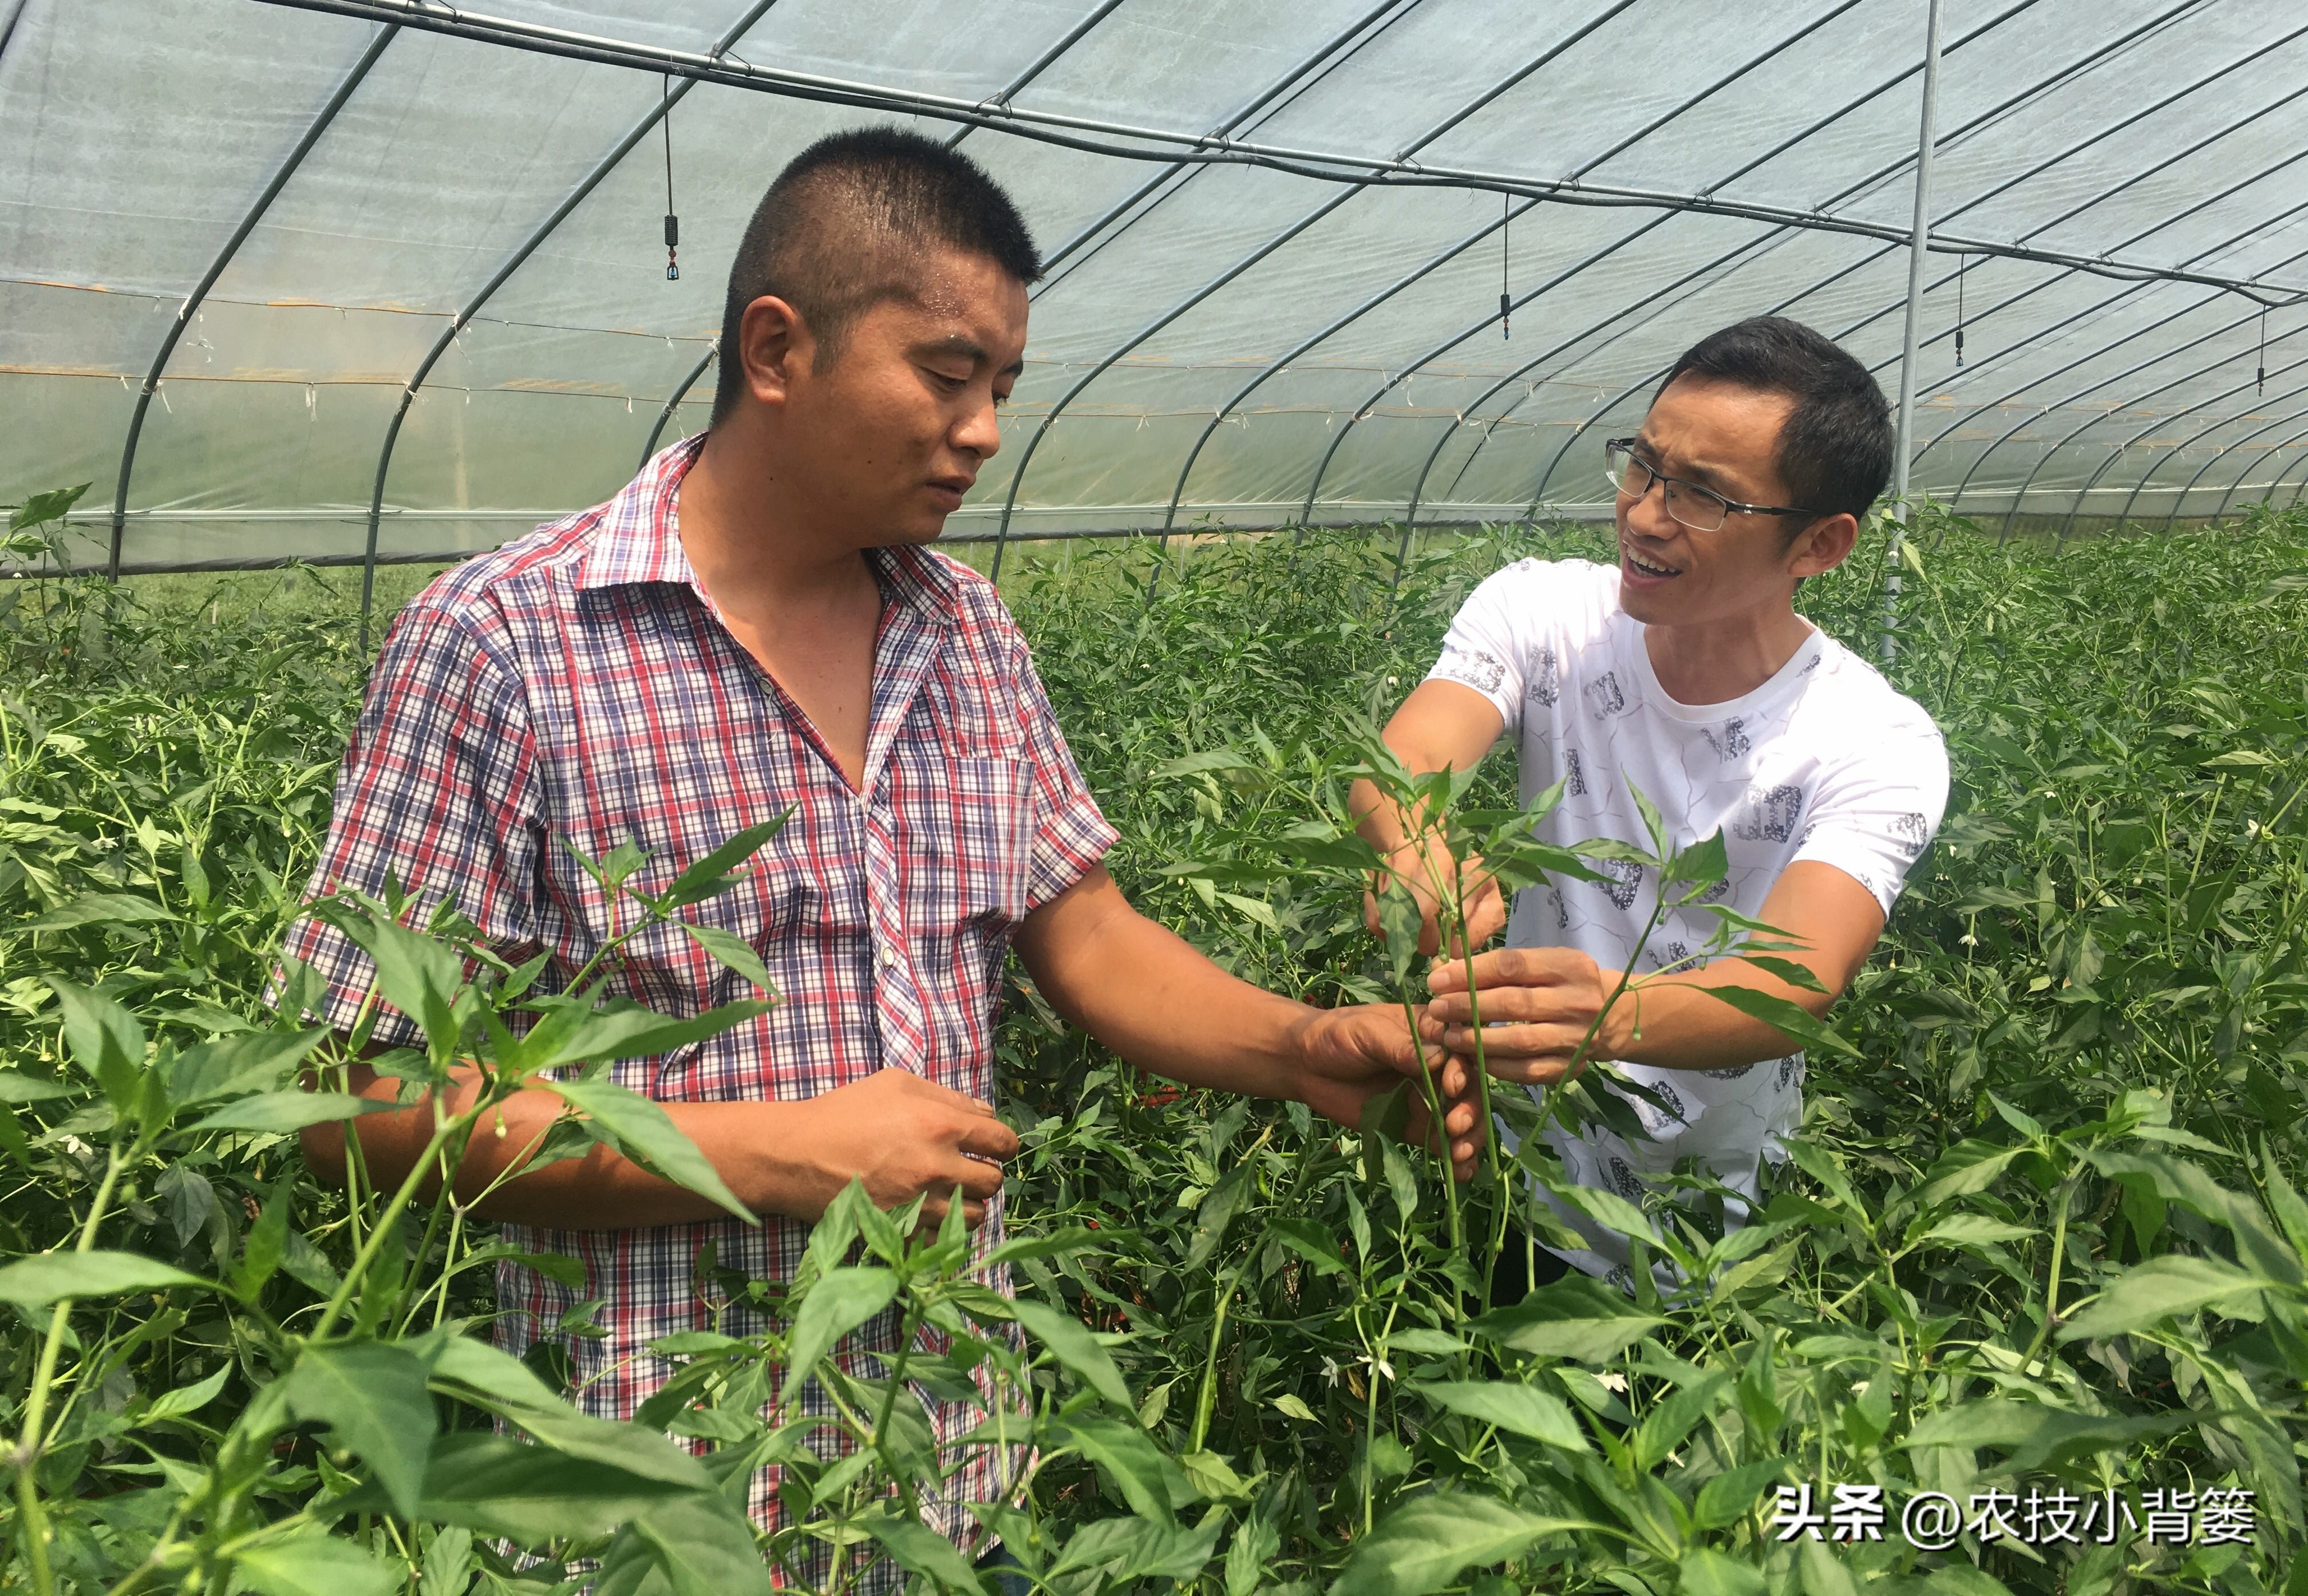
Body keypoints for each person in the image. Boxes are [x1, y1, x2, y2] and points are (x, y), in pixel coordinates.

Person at [289, 127, 1476, 1583]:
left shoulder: (965, 630)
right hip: (645, 1484)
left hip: (937, 1462)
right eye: (946, 372)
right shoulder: (508, 644)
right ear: (778, 350)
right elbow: (354, 1105)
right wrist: (770, 1152)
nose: (983, 429)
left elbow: (1084, 933)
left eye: (1003, 389)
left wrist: (1304, 1049)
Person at [1352, 315, 1948, 1299]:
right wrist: (1414, 848)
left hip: (1705, 1214)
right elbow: (1404, 759)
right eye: (1643, 466)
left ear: (1821, 543)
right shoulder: (1542, 614)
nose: (1646, 514)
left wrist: (1614, 1015)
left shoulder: (1875, 740)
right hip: (1511, 1160)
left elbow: (1795, 980)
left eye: (1705, 496)